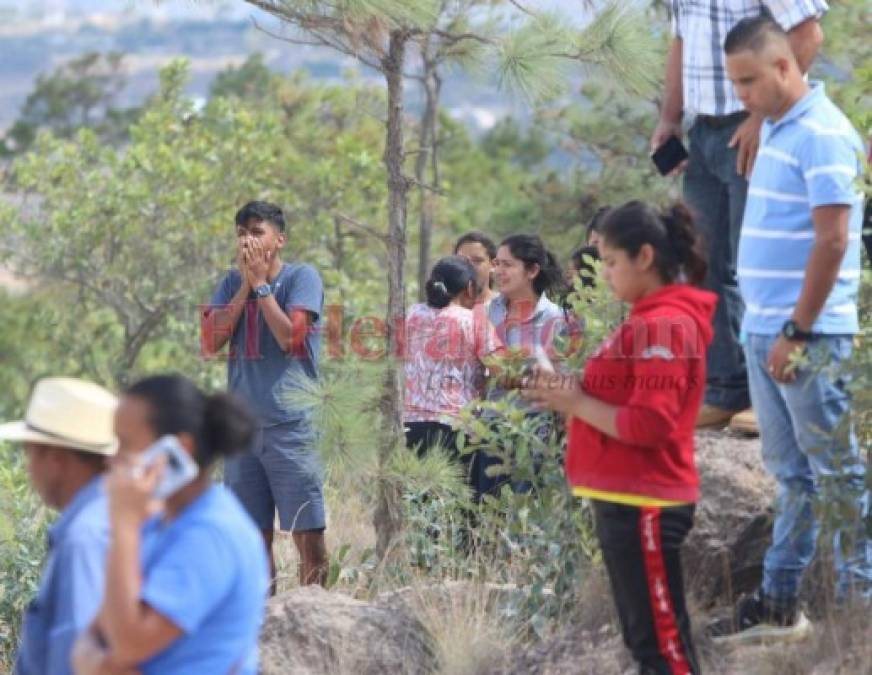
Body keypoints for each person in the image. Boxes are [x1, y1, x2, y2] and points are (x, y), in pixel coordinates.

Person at [709, 15, 872, 644]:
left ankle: (857, 618)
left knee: (837, 475)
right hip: (765, 334)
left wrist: (798, 332)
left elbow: (833, 241)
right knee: (793, 474)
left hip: (810, 338)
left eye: (748, 80)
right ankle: (779, 602)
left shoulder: (824, 134)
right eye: (734, 83)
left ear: (785, 66)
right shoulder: (775, 128)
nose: (741, 96)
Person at [524, 201, 716, 675]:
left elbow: (650, 424)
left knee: (664, 648)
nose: (604, 274)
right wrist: (566, 391)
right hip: (621, 497)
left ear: (644, 257)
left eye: (610, 262)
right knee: (644, 641)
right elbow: (620, 398)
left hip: (645, 502)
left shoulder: (664, 324)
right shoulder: (644, 317)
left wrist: (575, 404)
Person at [654, 0, 828, 433]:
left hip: (756, 129)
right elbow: (680, 41)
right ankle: (726, 390)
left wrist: (759, 117)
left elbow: (808, 34)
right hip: (703, 132)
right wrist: (669, 118)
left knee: (760, 264)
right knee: (703, 264)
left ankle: (774, 395)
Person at [71, 375, 269, 675]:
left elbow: (126, 643)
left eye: (125, 444)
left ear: (179, 450)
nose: (112, 460)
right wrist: (97, 662)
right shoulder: (159, 521)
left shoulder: (212, 533)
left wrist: (123, 524)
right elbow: (96, 632)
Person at [201, 200, 327, 589]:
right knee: (251, 539)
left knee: (307, 535)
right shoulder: (229, 283)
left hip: (291, 428)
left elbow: (292, 337)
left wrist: (261, 285)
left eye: (257, 233)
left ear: (280, 239)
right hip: (241, 433)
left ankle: (317, 618)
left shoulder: (302, 278)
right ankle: (264, 626)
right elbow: (211, 343)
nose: (247, 241)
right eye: (241, 234)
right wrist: (244, 284)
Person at [0, 378, 117, 675]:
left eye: (30, 454)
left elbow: (77, 659)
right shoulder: (108, 519)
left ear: (54, 459)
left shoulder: (86, 537)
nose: (28, 468)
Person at [472, 234, 568, 499]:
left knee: (524, 514)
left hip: (534, 431)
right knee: (489, 513)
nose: (498, 271)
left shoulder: (556, 319)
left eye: (507, 265)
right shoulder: (487, 311)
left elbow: (560, 380)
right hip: (492, 428)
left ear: (532, 270)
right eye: (497, 264)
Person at [404, 256, 501, 463]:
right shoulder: (475, 321)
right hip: (456, 428)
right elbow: (499, 371)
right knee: (455, 495)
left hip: (410, 425)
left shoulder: (411, 314)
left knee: (416, 494)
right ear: (469, 288)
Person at [454, 231, 498, 307]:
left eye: (477, 261)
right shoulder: (438, 310)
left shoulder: (507, 308)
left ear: (493, 265)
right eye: (461, 260)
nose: (469, 266)